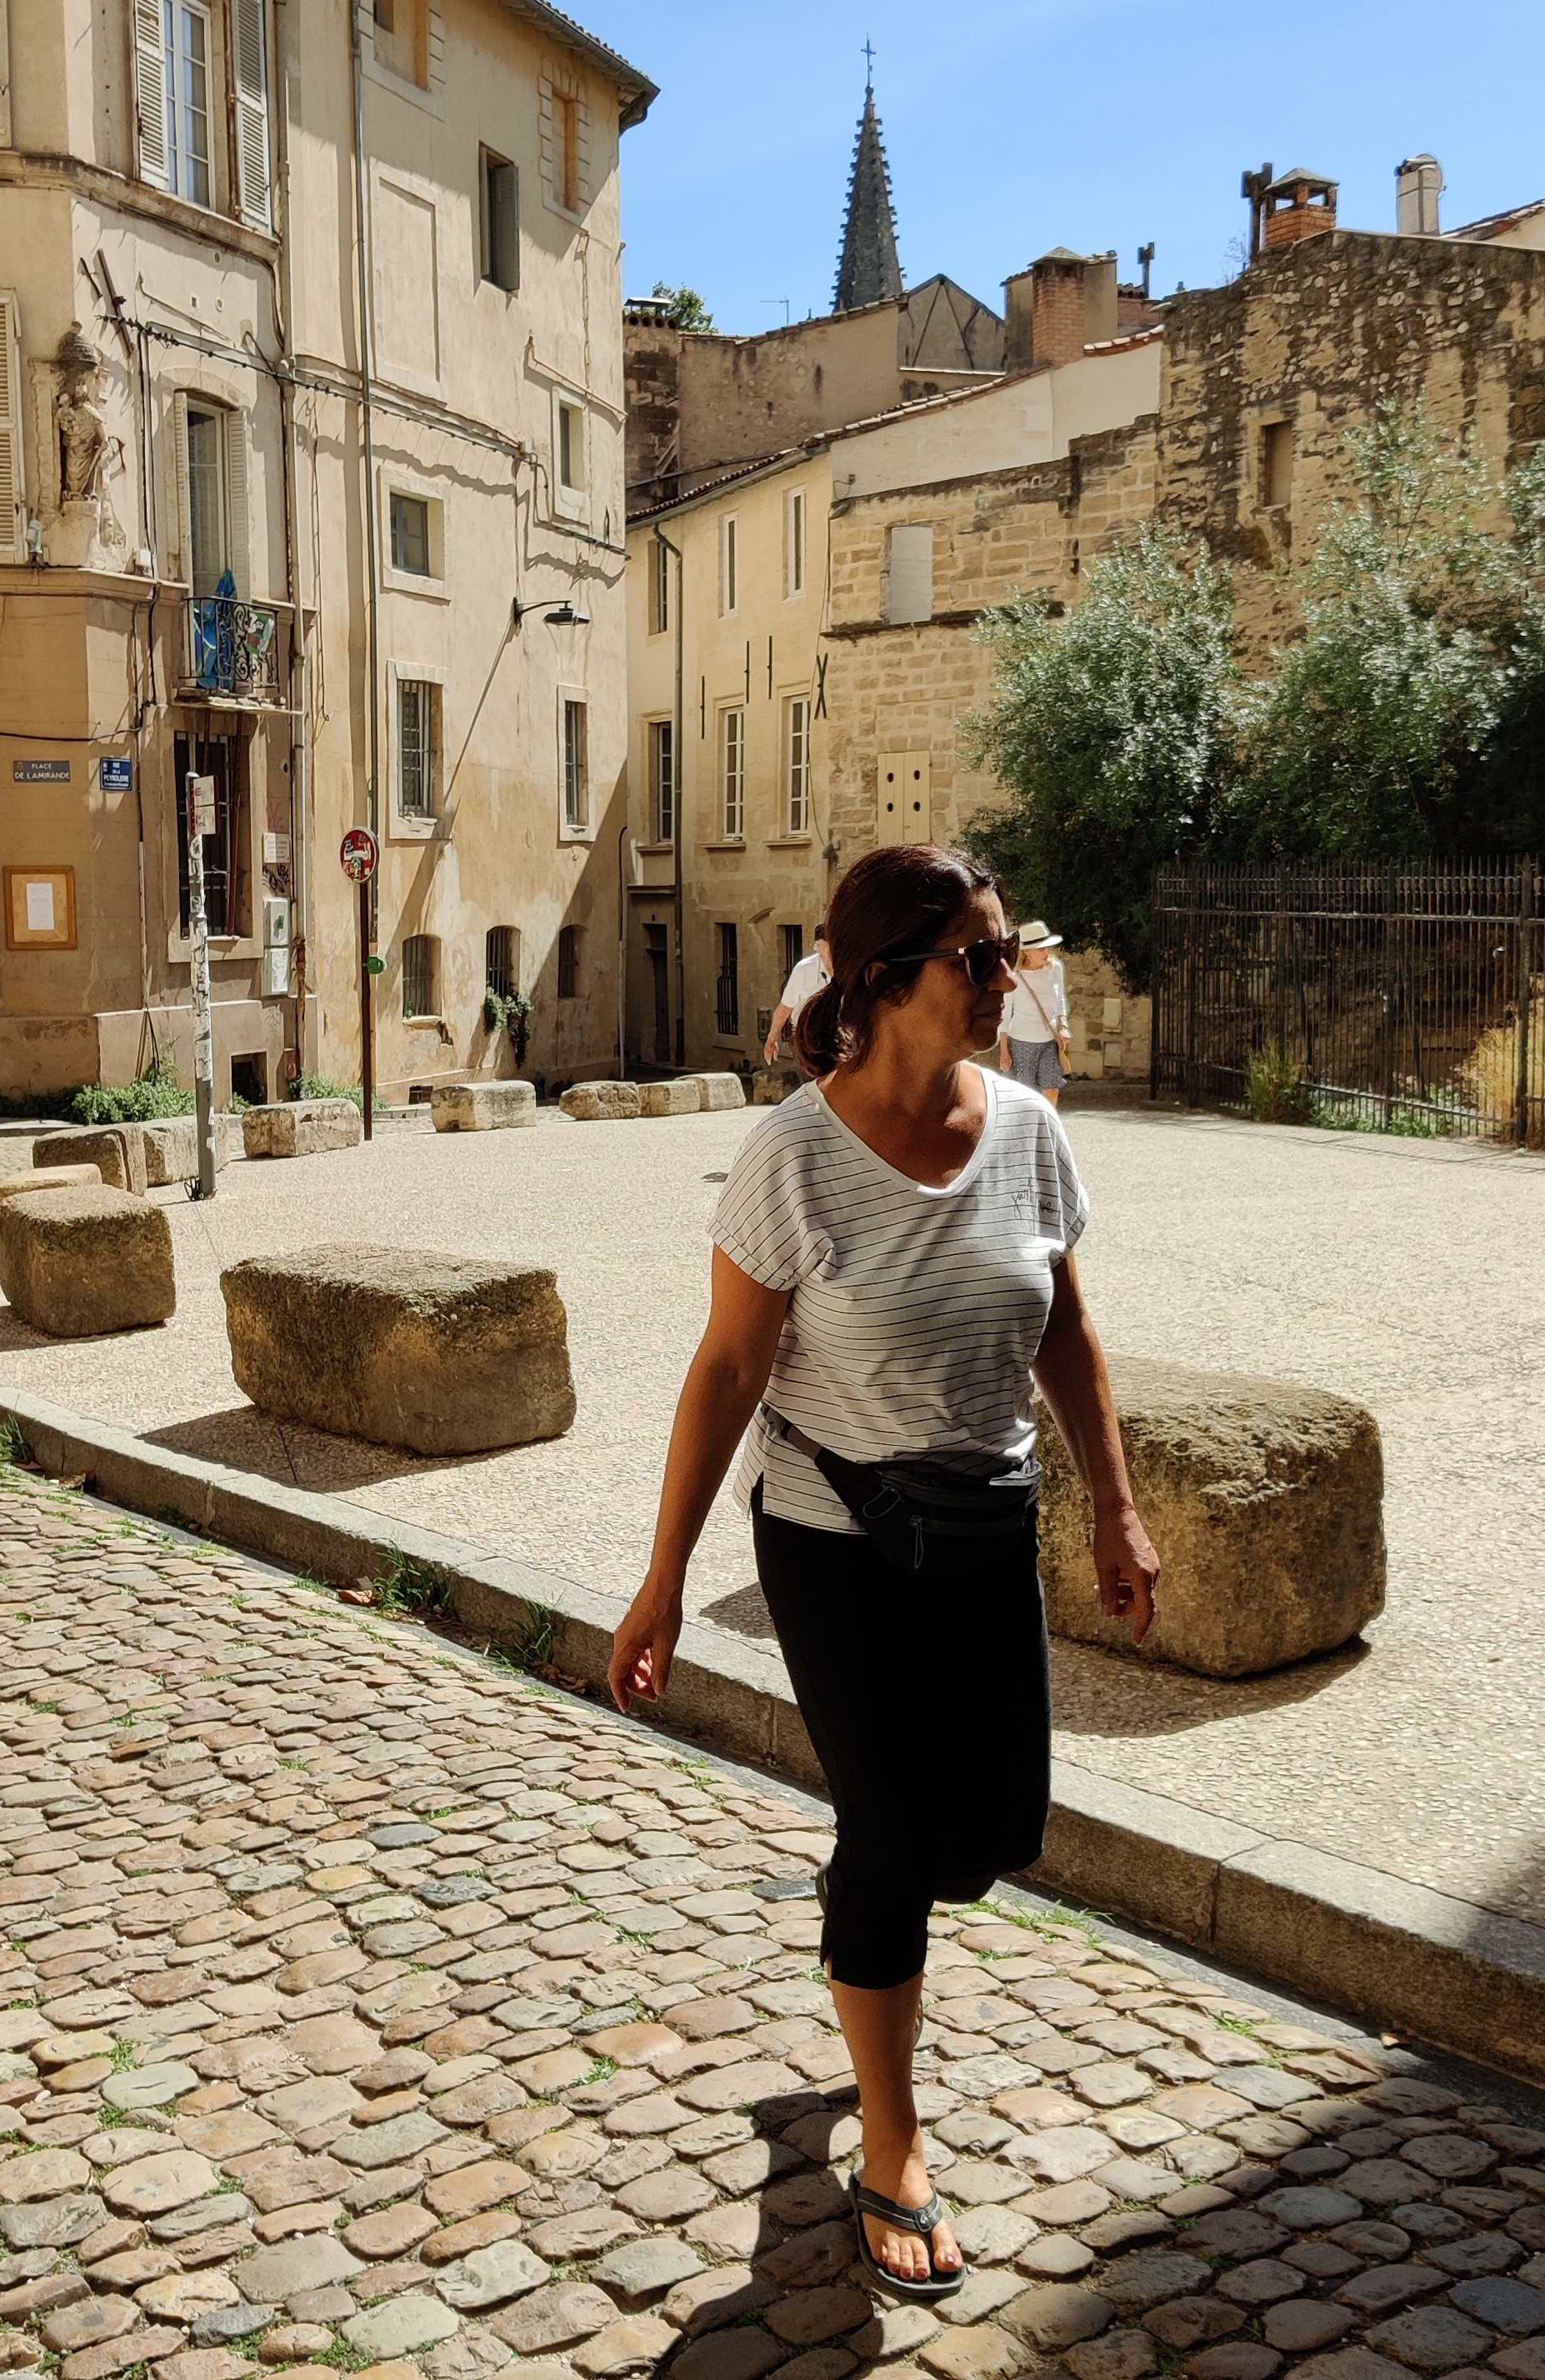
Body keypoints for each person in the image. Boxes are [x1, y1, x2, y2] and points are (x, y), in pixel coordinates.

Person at [608, 842, 1161, 2305]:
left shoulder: (1028, 1130)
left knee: (991, 1834)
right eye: (977, 958)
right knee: (900, 1833)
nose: (1004, 980)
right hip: (832, 1533)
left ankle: (874, 1870)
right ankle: (893, 2140)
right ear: (885, 978)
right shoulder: (794, 1156)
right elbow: (727, 1372)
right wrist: (662, 1582)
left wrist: (1116, 1508)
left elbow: (1067, 1330)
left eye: (1007, 952)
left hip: (983, 1522)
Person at [999, 920, 1068, 1104]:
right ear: (1027, 951)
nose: (1047, 952)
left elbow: (1060, 1000)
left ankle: (1048, 1123)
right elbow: (1005, 1014)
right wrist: (1004, 1052)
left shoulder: (1056, 968)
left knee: (1052, 1089)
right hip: (1021, 1042)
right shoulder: (1015, 975)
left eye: (1048, 948)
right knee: (1024, 1095)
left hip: (1049, 1041)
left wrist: (1063, 1026)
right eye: (1041, 949)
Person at [766, 926, 830, 1073]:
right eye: (818, 946)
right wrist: (772, 1038)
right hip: (805, 1037)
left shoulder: (844, 968)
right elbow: (785, 1007)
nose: (818, 949)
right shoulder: (804, 969)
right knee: (811, 1079)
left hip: (834, 1037)